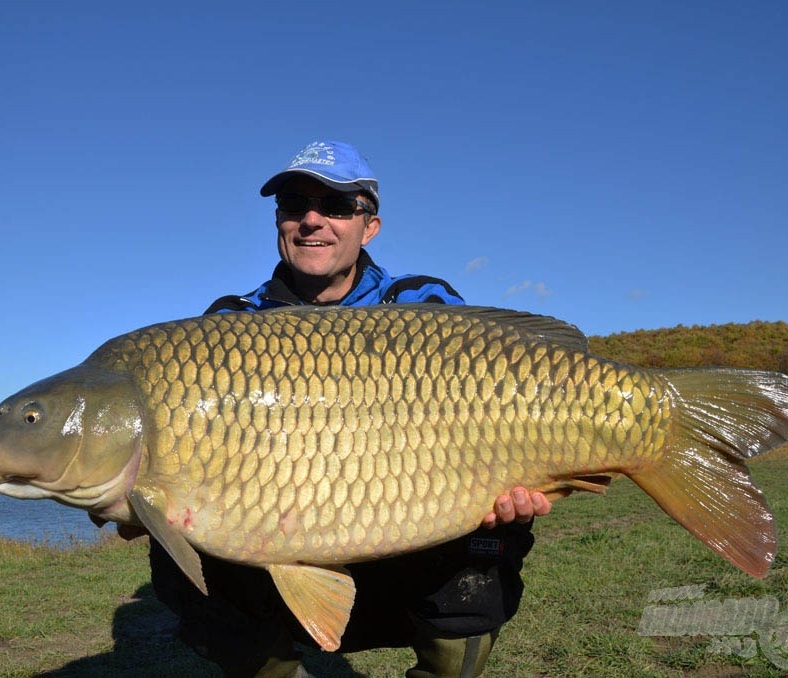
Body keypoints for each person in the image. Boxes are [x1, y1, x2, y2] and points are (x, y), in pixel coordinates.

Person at [149, 141, 552, 677]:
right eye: (295, 204)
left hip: (418, 546)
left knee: (489, 544)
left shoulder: (424, 305)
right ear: (278, 220)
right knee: (183, 552)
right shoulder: (229, 324)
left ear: (371, 226)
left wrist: (518, 483)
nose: (312, 220)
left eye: (337, 206)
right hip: (281, 549)